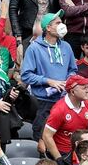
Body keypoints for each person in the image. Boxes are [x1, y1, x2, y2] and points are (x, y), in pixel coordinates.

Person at [21, 10, 77, 142]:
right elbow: (26, 75)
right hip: (43, 103)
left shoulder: (66, 46)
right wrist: (49, 81)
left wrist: (68, 80)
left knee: (64, 139)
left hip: (64, 101)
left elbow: (73, 69)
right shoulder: (34, 48)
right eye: (58, 23)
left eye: (61, 22)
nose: (62, 25)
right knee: (42, 140)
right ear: (48, 28)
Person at [43, 75, 88, 165]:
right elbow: (47, 135)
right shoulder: (59, 109)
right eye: (84, 88)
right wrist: (59, 159)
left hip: (83, 151)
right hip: (64, 153)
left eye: (87, 87)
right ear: (72, 91)